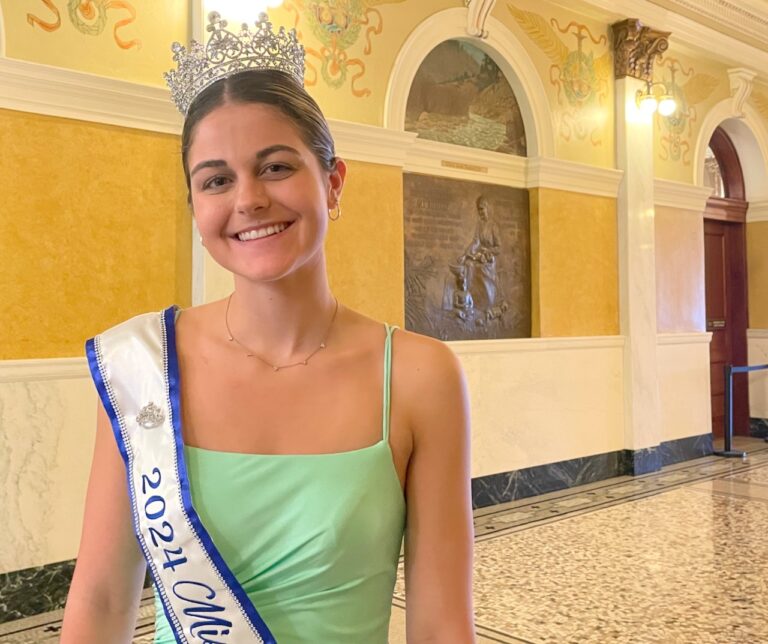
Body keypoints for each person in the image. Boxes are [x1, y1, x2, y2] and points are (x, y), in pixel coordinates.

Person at [61, 12, 474, 644]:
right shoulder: (142, 366)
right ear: (196, 206)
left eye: (276, 167)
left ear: (332, 183)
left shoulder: (421, 376)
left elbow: (442, 624)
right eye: (217, 180)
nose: (247, 199)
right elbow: (101, 596)